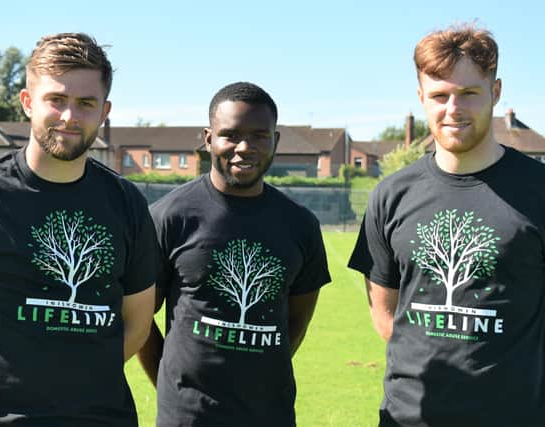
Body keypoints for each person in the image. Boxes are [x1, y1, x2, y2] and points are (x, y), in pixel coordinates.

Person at [0, 33, 159, 426]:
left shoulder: (127, 205)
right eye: (56, 100)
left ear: (104, 111)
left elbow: (138, 325)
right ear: (28, 102)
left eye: (85, 104)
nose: (69, 116)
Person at [348, 24, 545, 427]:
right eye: (439, 96)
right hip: (408, 418)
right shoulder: (390, 195)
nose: (453, 109)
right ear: (422, 98)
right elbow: (387, 317)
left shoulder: (539, 190)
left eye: (469, 93)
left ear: (495, 92)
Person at [137, 81, 331, 426]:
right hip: (187, 417)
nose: (245, 147)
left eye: (259, 136)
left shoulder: (300, 225)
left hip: (270, 415)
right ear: (209, 138)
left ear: (275, 140)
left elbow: (297, 320)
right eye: (231, 135)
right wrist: (172, 385)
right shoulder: (170, 216)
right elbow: (140, 319)